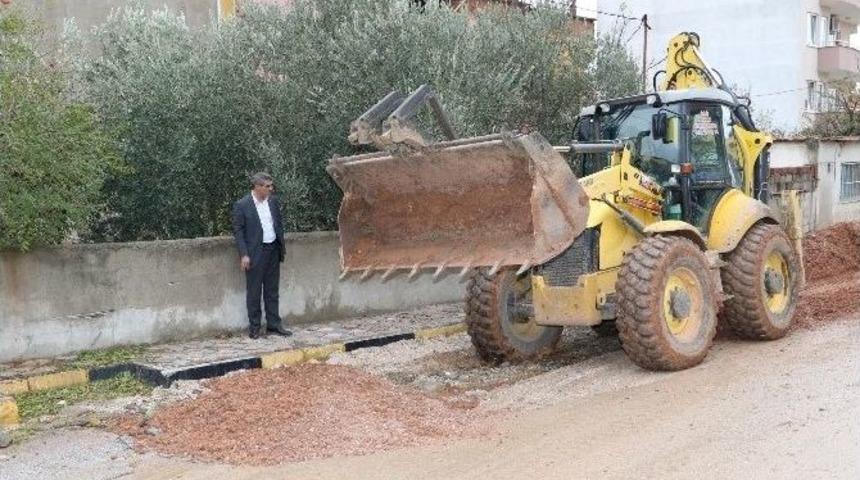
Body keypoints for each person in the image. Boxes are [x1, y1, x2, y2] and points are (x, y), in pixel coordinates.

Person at [232, 172, 292, 339]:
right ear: (257, 187)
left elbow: (278, 224)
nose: (271, 189)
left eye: (271, 186)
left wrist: (280, 246)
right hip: (255, 253)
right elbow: (238, 231)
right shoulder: (242, 205)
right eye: (267, 186)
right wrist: (244, 254)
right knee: (254, 291)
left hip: (273, 250)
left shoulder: (273, 202)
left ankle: (274, 324)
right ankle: (255, 327)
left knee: (272, 290)